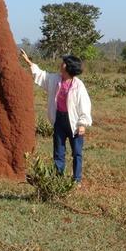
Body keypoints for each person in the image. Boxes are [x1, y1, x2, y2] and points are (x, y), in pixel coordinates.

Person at [20, 49, 92, 184]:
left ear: (69, 67)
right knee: (58, 151)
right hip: (59, 119)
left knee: (76, 152)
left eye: (64, 63)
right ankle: (58, 177)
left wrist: (82, 123)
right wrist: (28, 61)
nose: (61, 64)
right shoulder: (55, 80)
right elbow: (42, 75)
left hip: (75, 123)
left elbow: (85, 105)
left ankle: (76, 180)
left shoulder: (78, 86)